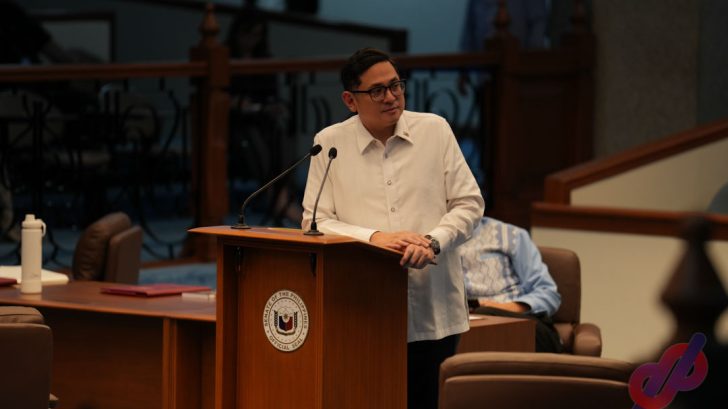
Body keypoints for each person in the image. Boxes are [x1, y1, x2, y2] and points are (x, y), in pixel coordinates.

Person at [301, 47, 485, 409]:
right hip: (361, 309)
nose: (391, 97)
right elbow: (315, 221)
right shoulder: (329, 143)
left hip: (433, 306)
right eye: (377, 91)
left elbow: (469, 203)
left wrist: (432, 242)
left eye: (395, 85)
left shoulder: (434, 130)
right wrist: (376, 239)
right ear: (350, 100)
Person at [458, 216, 563, 352]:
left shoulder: (511, 235)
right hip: (466, 329)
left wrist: (506, 307)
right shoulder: (434, 245)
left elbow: (548, 293)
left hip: (523, 323)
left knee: (484, 314)